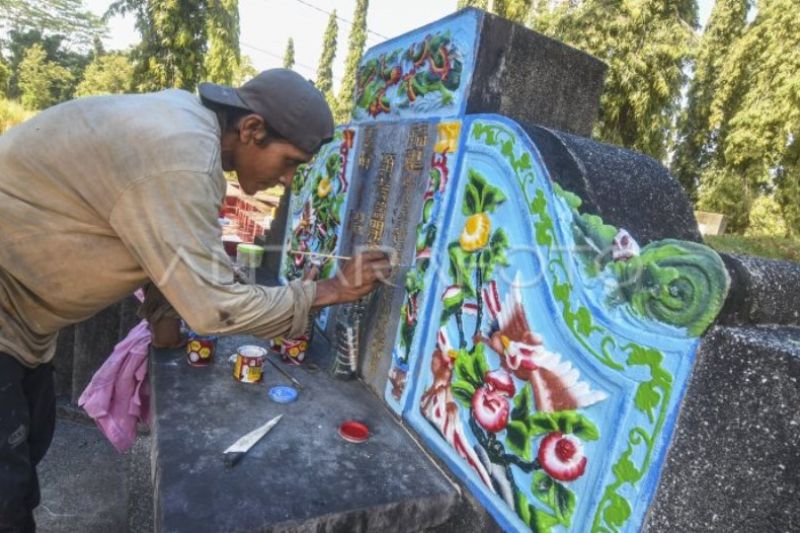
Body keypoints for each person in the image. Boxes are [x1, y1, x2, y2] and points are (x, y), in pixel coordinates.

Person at [0, 68, 391, 531]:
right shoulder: (182, 156)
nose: (287, 180)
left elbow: (156, 243)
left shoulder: (185, 126)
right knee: (7, 494)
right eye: (289, 162)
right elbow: (213, 307)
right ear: (251, 129)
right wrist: (329, 291)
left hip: (24, 327)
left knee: (25, 457)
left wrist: (164, 313)